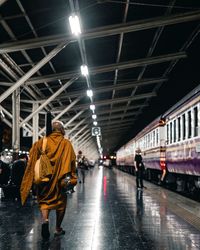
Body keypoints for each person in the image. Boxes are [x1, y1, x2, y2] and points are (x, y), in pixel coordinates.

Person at [20, 120, 77, 239]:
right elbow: (72, 161)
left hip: (45, 180)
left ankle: (45, 220)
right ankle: (57, 228)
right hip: (60, 182)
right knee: (60, 204)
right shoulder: (66, 143)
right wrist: (71, 176)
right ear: (61, 130)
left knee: (45, 202)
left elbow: (32, 157)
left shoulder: (42, 142)